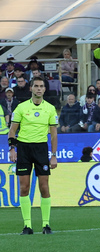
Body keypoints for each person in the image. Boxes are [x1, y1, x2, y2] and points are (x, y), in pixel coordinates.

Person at [8, 77, 58, 235]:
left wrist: (54, 155)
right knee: (24, 188)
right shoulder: (21, 108)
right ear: (31, 88)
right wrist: (12, 149)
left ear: (44, 89)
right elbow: (12, 130)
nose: (38, 88)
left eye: (41, 86)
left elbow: (54, 134)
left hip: (41, 149)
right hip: (24, 148)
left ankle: (46, 225)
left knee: (44, 187)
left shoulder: (50, 108)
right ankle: (27, 226)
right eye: (36, 86)